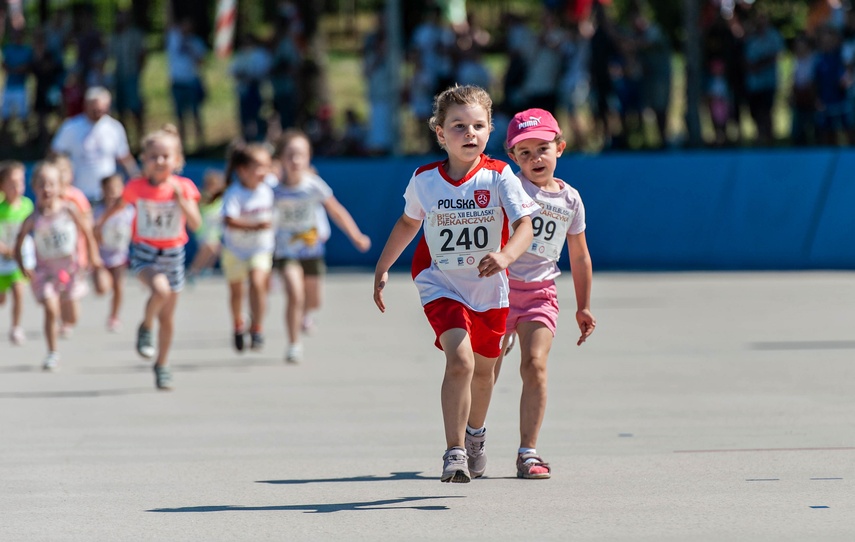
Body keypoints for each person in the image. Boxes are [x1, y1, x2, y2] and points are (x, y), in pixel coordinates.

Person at [372, 85, 537, 483]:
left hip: (489, 288)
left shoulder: (500, 177)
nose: (470, 133)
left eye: (478, 125)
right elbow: (409, 223)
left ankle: (475, 435)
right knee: (460, 361)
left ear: (490, 130)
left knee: (485, 372)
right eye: (459, 126)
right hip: (439, 281)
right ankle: (454, 452)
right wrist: (382, 267)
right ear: (440, 133)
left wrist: (505, 256)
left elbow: (524, 226)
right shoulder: (425, 180)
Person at [494, 108, 596, 479]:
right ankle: (471, 440)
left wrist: (583, 306)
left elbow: (580, 255)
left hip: (540, 294)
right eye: (524, 152)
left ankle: (528, 452)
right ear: (512, 157)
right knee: (485, 372)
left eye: (542, 148)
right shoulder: (510, 187)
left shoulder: (571, 200)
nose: (535, 158)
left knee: (534, 365)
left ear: (560, 147)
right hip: (498, 291)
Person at [95, 125, 201, 390]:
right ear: (144, 160)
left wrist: (183, 202)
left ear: (177, 160)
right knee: (160, 290)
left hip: (173, 254)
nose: (160, 162)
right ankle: (145, 325)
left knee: (168, 317)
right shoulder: (136, 187)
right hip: (145, 253)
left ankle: (162, 365)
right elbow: (118, 205)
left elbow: (197, 224)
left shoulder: (184, 187)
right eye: (153, 157)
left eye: (166, 156)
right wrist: (99, 226)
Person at [272, 129, 371, 363]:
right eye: (290, 155)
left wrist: (355, 235)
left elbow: (336, 210)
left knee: (313, 300)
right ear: (281, 159)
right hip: (285, 251)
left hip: (311, 250)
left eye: (301, 155)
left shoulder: (313, 185)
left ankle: (306, 314)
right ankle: (294, 343)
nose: (295, 160)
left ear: (308, 157)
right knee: (294, 294)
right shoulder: (273, 188)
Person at [14, 161, 101, 371]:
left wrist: (91, 256)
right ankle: (52, 352)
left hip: (70, 270)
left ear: (61, 187)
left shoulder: (69, 210)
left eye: (51, 184)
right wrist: (23, 265)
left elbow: (87, 233)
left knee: (71, 317)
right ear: (34, 187)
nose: (47, 189)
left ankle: (65, 305)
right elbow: (19, 243)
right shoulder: (33, 218)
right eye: (42, 185)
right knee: (51, 310)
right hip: (45, 272)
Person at [220, 143, 275, 352]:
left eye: (267, 166)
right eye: (260, 167)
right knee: (236, 293)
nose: (265, 171)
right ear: (243, 171)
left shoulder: (269, 186)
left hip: (260, 248)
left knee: (258, 283)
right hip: (235, 250)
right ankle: (237, 324)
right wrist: (256, 225)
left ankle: (257, 327)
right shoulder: (234, 193)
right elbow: (229, 221)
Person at [50, 86, 140, 202]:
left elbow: (124, 157)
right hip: (78, 193)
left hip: (107, 195)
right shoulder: (71, 127)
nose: (98, 113)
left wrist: (136, 178)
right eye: (95, 110)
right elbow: (55, 155)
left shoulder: (114, 127)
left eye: (102, 110)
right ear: (86, 105)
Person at [93, 174, 134, 332]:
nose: (113, 192)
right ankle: (103, 281)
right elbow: (93, 232)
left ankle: (114, 316)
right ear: (103, 191)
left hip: (119, 255)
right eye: (109, 189)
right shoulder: (98, 211)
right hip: (102, 255)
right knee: (102, 288)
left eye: (117, 188)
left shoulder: (128, 210)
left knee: (119, 286)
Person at [0, 161, 34, 345]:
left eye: (20, 182)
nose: (17, 187)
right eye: (12, 183)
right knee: (2, 298)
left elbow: (31, 231)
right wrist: (5, 249)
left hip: (19, 258)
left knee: (19, 291)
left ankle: (16, 327)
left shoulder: (27, 205)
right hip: (2, 258)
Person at [188, 169, 225, 279]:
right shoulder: (201, 197)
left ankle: (205, 268)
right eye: (211, 184)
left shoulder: (220, 200)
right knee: (208, 248)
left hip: (215, 231)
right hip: (203, 230)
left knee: (216, 250)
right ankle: (194, 270)